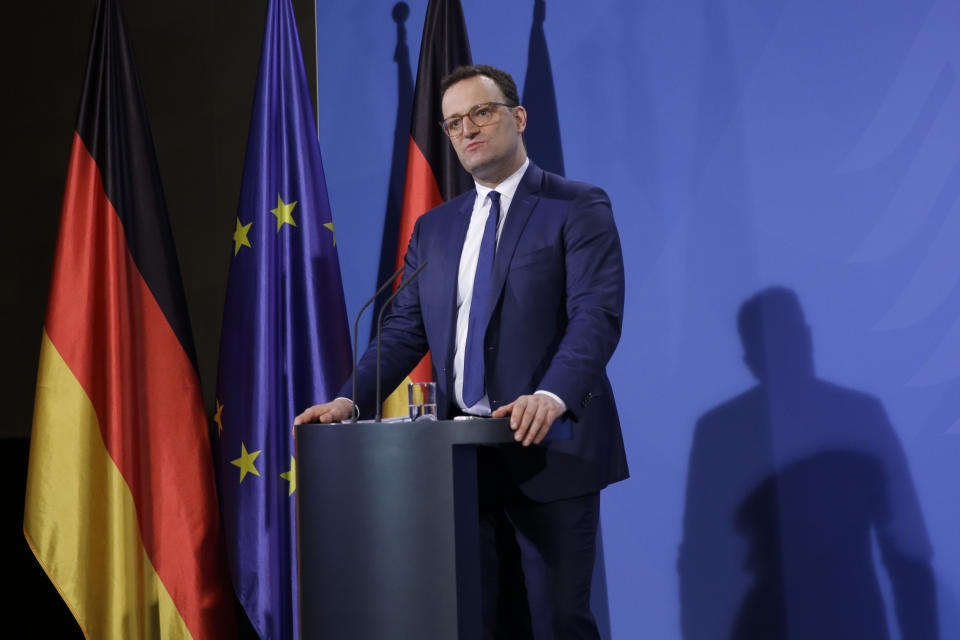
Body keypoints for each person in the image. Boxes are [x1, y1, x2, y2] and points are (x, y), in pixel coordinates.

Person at [295, 64, 628, 639]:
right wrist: (349, 401)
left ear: (517, 117)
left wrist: (550, 395)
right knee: (476, 621)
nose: (467, 130)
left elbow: (595, 315)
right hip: (458, 465)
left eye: (481, 112)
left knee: (556, 623)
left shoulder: (576, 205)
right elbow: (402, 331)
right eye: (453, 123)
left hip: (550, 449)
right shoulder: (435, 229)